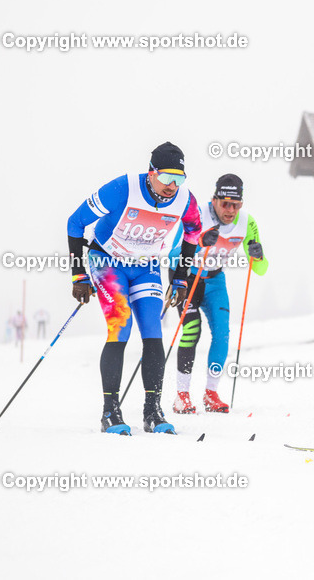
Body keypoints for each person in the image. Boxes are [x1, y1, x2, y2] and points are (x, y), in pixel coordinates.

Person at [67, 142, 218, 435]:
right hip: (108, 260)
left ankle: (153, 411)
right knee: (120, 326)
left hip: (146, 265)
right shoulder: (123, 188)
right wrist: (78, 275)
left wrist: (180, 278)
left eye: (179, 179)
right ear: (151, 173)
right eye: (166, 178)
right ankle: (110, 411)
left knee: (152, 331)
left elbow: (193, 233)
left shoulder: (184, 200)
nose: (172, 186)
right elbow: (75, 222)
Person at [172, 174, 268, 414]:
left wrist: (258, 255)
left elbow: (260, 269)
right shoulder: (196, 214)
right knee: (192, 330)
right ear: (214, 200)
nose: (230, 210)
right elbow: (173, 253)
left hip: (215, 279)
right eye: (225, 203)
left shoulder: (247, 223)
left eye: (236, 205)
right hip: (187, 278)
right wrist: (200, 242)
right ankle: (182, 396)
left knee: (223, 334)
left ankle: (211, 393)